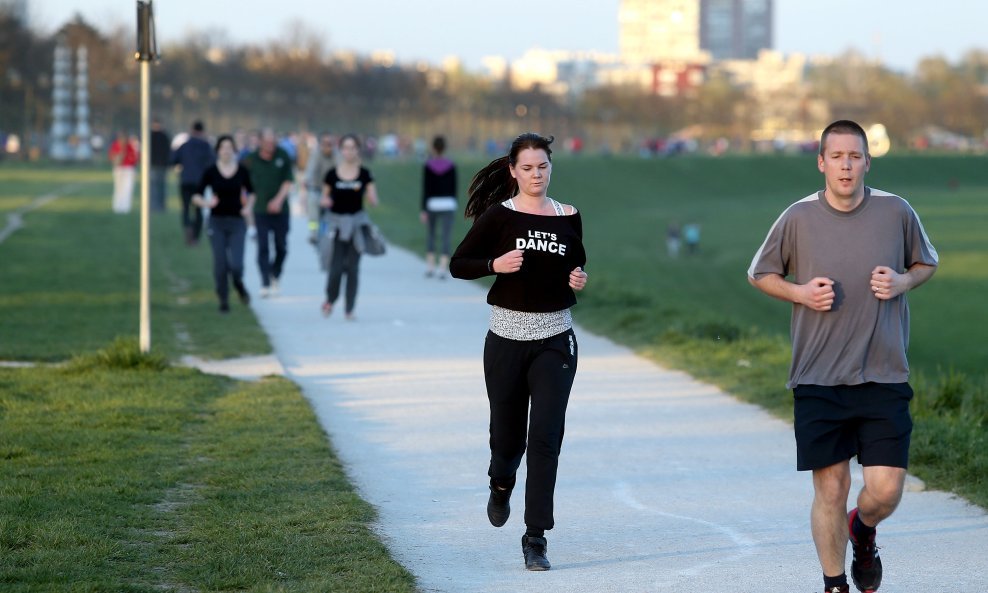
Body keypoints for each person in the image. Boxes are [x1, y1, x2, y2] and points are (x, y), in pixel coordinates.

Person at [747, 120, 938, 593]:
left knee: (886, 490)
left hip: (883, 373)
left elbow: (926, 262)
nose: (846, 165)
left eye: (855, 156)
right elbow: (759, 273)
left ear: (867, 161)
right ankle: (834, 584)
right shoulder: (797, 217)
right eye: (837, 156)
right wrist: (799, 293)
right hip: (818, 376)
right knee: (830, 489)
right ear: (821, 162)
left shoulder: (896, 211)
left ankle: (864, 528)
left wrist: (902, 282)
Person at [449, 133, 588, 571]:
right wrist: (494, 265)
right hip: (506, 341)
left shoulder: (569, 215)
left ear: (551, 168)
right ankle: (501, 482)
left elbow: (575, 262)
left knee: (545, 439)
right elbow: (459, 264)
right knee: (507, 440)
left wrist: (577, 278)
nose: (536, 175)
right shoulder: (499, 217)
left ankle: (535, 537)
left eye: (542, 167)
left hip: (555, 341)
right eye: (527, 168)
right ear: (513, 170)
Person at [191, 135, 255, 313]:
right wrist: (207, 203)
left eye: (229, 147)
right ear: (218, 151)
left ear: (234, 150)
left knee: (236, 265)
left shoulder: (242, 171)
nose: (226, 151)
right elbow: (196, 196)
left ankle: (239, 286)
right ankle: (223, 300)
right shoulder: (210, 171)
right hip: (216, 222)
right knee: (220, 265)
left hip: (237, 223)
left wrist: (248, 207)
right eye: (223, 147)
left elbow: (252, 192)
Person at [319, 134, 379, 319]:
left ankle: (349, 308)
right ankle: (330, 299)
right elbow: (323, 198)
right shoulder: (331, 174)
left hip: (356, 226)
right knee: (336, 268)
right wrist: (326, 201)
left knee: (353, 268)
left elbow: (373, 197)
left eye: (352, 147)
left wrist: (372, 199)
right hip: (336, 226)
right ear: (341, 150)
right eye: (345, 147)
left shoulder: (364, 174)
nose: (349, 151)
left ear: (357, 150)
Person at [243, 129, 295, 297]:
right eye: (267, 142)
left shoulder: (282, 155)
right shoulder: (251, 159)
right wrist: (247, 204)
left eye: (273, 142)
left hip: (281, 210)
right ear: (260, 142)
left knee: (282, 247)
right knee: (263, 246)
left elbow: (288, 181)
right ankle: (265, 282)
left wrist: (278, 200)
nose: (270, 146)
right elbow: (243, 183)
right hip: (260, 210)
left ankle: (275, 273)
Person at [170, 120, 215, 245]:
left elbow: (173, 159)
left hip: (185, 181)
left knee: (185, 208)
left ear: (191, 130)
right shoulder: (206, 146)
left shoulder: (184, 145)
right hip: (200, 182)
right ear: (202, 131)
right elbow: (212, 162)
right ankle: (195, 237)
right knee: (198, 209)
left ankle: (188, 233)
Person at [420, 135, 458, 279]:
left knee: (431, 234)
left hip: (432, 204)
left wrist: (423, 209)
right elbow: (454, 188)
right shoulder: (452, 166)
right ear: (444, 148)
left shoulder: (428, 166)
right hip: (448, 203)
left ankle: (430, 267)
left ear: (433, 148)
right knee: (446, 236)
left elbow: (426, 189)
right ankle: (442, 269)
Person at [304, 132, 336, 245]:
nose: (327, 146)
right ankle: (313, 233)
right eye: (325, 143)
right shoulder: (316, 154)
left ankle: (329, 232)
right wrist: (307, 179)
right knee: (313, 208)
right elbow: (310, 170)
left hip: (333, 191)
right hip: (316, 188)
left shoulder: (337, 155)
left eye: (330, 144)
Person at [108, 130, 138, 214]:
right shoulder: (115, 145)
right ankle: (117, 207)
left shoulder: (131, 145)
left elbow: (135, 158)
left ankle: (126, 208)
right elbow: (112, 158)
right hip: (119, 169)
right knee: (118, 189)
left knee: (128, 189)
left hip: (128, 169)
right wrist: (119, 155)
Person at [149, 118, 171, 212]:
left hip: (161, 165)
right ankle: (154, 205)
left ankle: (161, 206)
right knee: (153, 186)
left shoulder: (164, 136)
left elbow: (168, 151)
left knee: (161, 186)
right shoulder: (150, 136)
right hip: (153, 165)